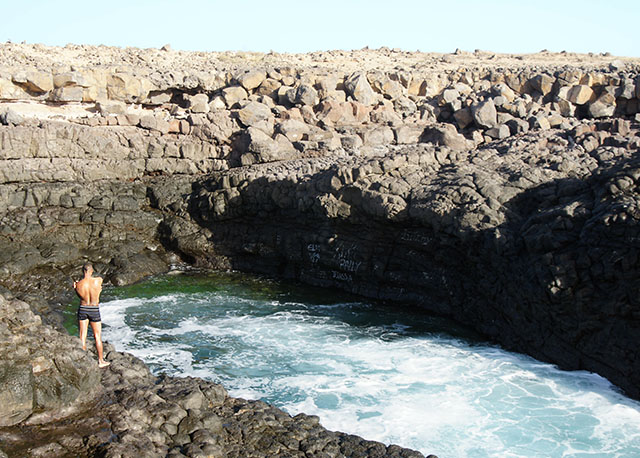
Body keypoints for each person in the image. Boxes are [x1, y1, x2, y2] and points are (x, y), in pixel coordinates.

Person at [73, 262, 110, 368]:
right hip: (94, 309)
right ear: (91, 271)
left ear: (82, 271)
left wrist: (75, 288)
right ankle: (101, 361)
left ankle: (83, 361)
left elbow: (80, 297)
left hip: (83, 308)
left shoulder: (79, 284)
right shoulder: (98, 280)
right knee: (97, 336)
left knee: (82, 335)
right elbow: (99, 288)